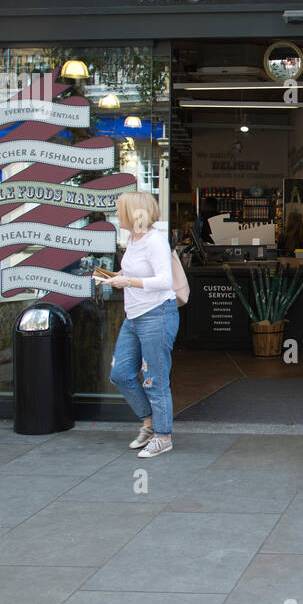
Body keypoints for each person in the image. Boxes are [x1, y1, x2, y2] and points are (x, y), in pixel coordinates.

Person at [97, 191, 180, 459]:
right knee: (120, 374)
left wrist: (128, 282)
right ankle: (148, 423)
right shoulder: (133, 239)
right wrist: (115, 276)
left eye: (119, 209)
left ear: (134, 212)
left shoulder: (155, 241)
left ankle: (163, 436)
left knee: (154, 379)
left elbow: (165, 281)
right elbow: (133, 271)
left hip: (157, 314)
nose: (116, 214)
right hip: (134, 316)